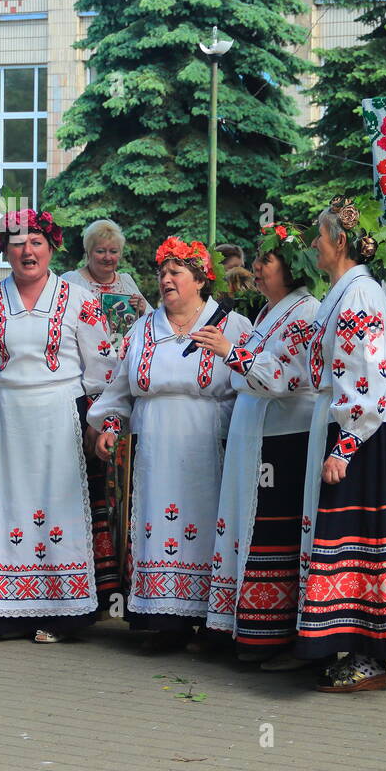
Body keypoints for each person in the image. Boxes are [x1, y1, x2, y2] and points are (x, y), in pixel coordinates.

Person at [0, 209, 118, 643]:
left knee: (61, 507)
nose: (28, 250)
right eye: (18, 242)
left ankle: (65, 613)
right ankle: (2, 613)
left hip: (63, 418)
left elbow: (101, 369)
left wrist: (99, 423)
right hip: (7, 420)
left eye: (37, 242)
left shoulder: (80, 300)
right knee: (8, 509)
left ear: (51, 248)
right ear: (4, 250)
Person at [88, 238, 251, 650]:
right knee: (156, 526)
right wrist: (109, 425)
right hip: (154, 448)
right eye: (162, 273)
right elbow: (119, 390)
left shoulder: (232, 326)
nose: (165, 279)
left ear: (200, 278)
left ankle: (211, 623)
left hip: (207, 448)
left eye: (175, 272)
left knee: (208, 528)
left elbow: (251, 386)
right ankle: (163, 621)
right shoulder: (144, 328)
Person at [290, 197, 386, 690]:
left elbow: (368, 374)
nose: (313, 248)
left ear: (339, 241)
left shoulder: (359, 295)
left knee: (362, 538)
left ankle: (370, 658)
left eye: (318, 239)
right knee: (352, 541)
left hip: (361, 432)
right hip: (353, 425)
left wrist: (344, 447)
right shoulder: (343, 294)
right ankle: (355, 651)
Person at [195, 223, 321, 668]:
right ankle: (253, 631)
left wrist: (232, 352)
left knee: (276, 533)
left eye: (266, 259)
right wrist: (234, 358)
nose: (256, 267)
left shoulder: (307, 312)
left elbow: (284, 379)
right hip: (257, 438)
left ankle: (283, 638)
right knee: (252, 529)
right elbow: (244, 375)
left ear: (291, 268)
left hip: (286, 441)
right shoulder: (269, 312)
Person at [62, 219, 151, 316]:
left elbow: (151, 322)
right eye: (100, 251)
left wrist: (142, 310)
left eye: (113, 251)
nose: (107, 258)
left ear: (120, 254)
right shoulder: (71, 281)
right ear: (88, 252)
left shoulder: (126, 282)